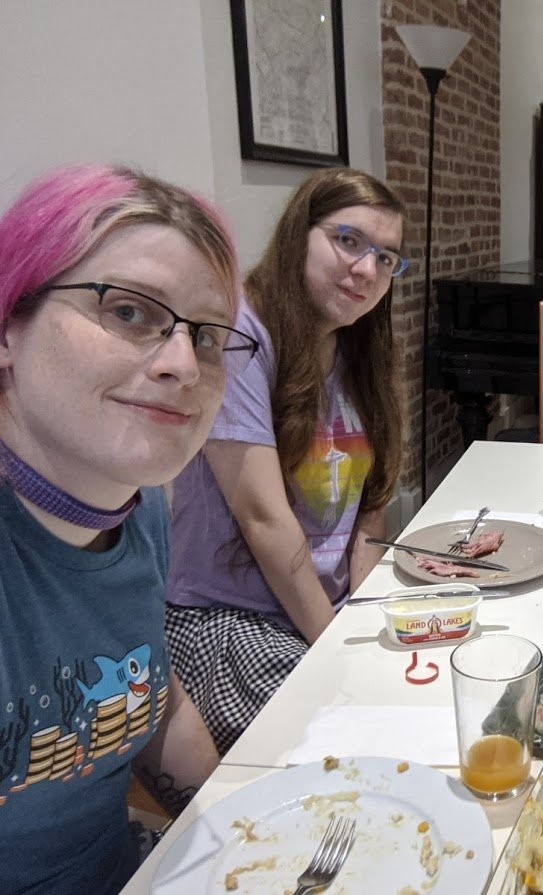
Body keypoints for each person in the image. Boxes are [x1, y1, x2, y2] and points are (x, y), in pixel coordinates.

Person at [0, 164, 245, 893]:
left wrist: (250, 830)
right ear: (9, 327)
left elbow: (148, 692)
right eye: (130, 312)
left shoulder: (141, 511)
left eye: (205, 335)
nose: (181, 364)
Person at [166, 168, 405, 753]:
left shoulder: (360, 347)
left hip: (321, 612)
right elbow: (262, 518)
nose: (367, 270)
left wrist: (367, 620)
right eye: (347, 241)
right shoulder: (245, 332)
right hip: (226, 619)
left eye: (386, 258)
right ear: (300, 231)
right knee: (361, 745)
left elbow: (369, 510)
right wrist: (334, 650)